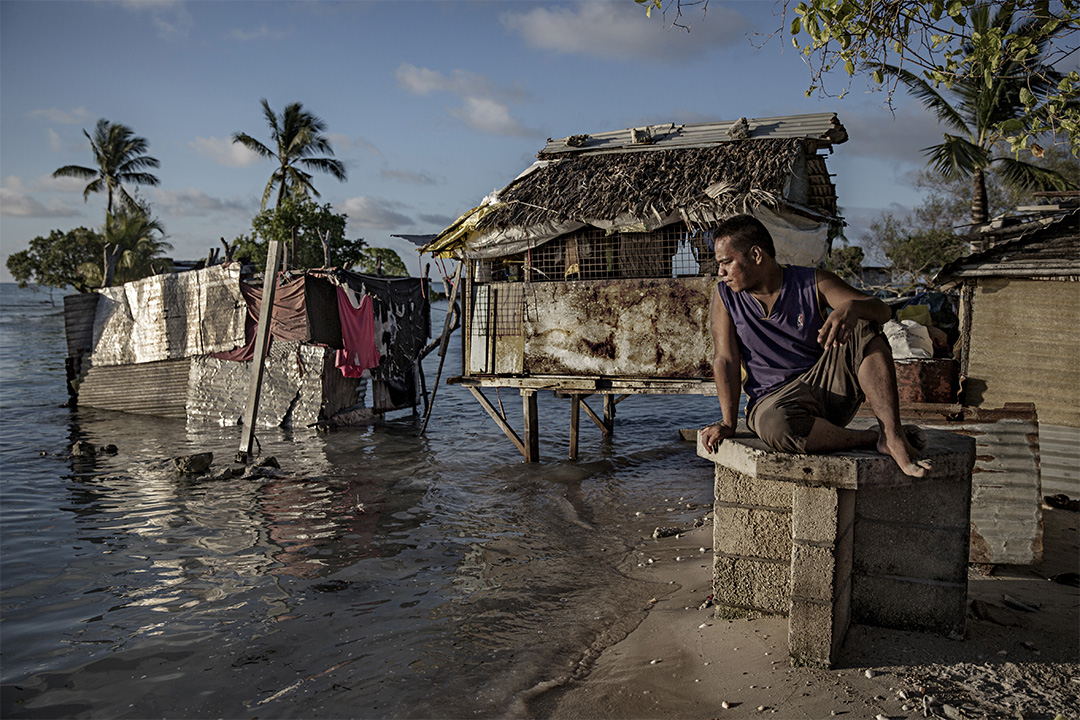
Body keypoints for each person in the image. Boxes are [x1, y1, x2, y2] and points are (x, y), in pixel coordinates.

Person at [699, 214, 931, 477]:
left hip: (827, 391)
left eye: (727, 262)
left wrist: (852, 308)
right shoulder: (725, 296)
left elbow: (881, 311)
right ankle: (872, 439)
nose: (721, 272)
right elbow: (725, 359)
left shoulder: (813, 282)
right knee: (777, 426)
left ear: (756, 255)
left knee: (864, 323)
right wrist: (728, 424)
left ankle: (892, 433)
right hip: (773, 403)